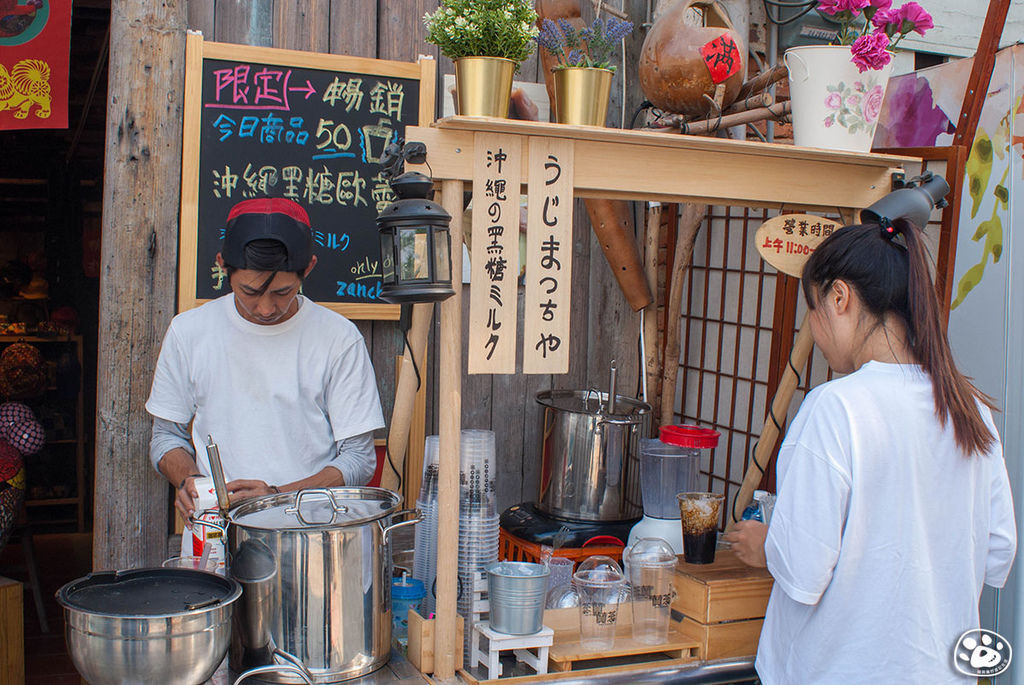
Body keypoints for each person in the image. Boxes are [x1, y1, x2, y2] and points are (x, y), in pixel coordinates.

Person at [724, 218, 1016, 683]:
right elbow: (999, 550)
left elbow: (803, 573)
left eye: (813, 311)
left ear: (840, 298)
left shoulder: (834, 408)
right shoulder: (970, 409)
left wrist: (768, 546)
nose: (815, 333)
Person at [146, 198, 385, 522]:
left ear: (309, 268)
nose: (266, 309)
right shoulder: (189, 333)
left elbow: (358, 459)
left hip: (310, 537)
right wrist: (189, 480)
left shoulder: (338, 339)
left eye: (283, 292)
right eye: (250, 291)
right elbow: (165, 437)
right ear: (222, 265)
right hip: (216, 532)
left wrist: (277, 498)